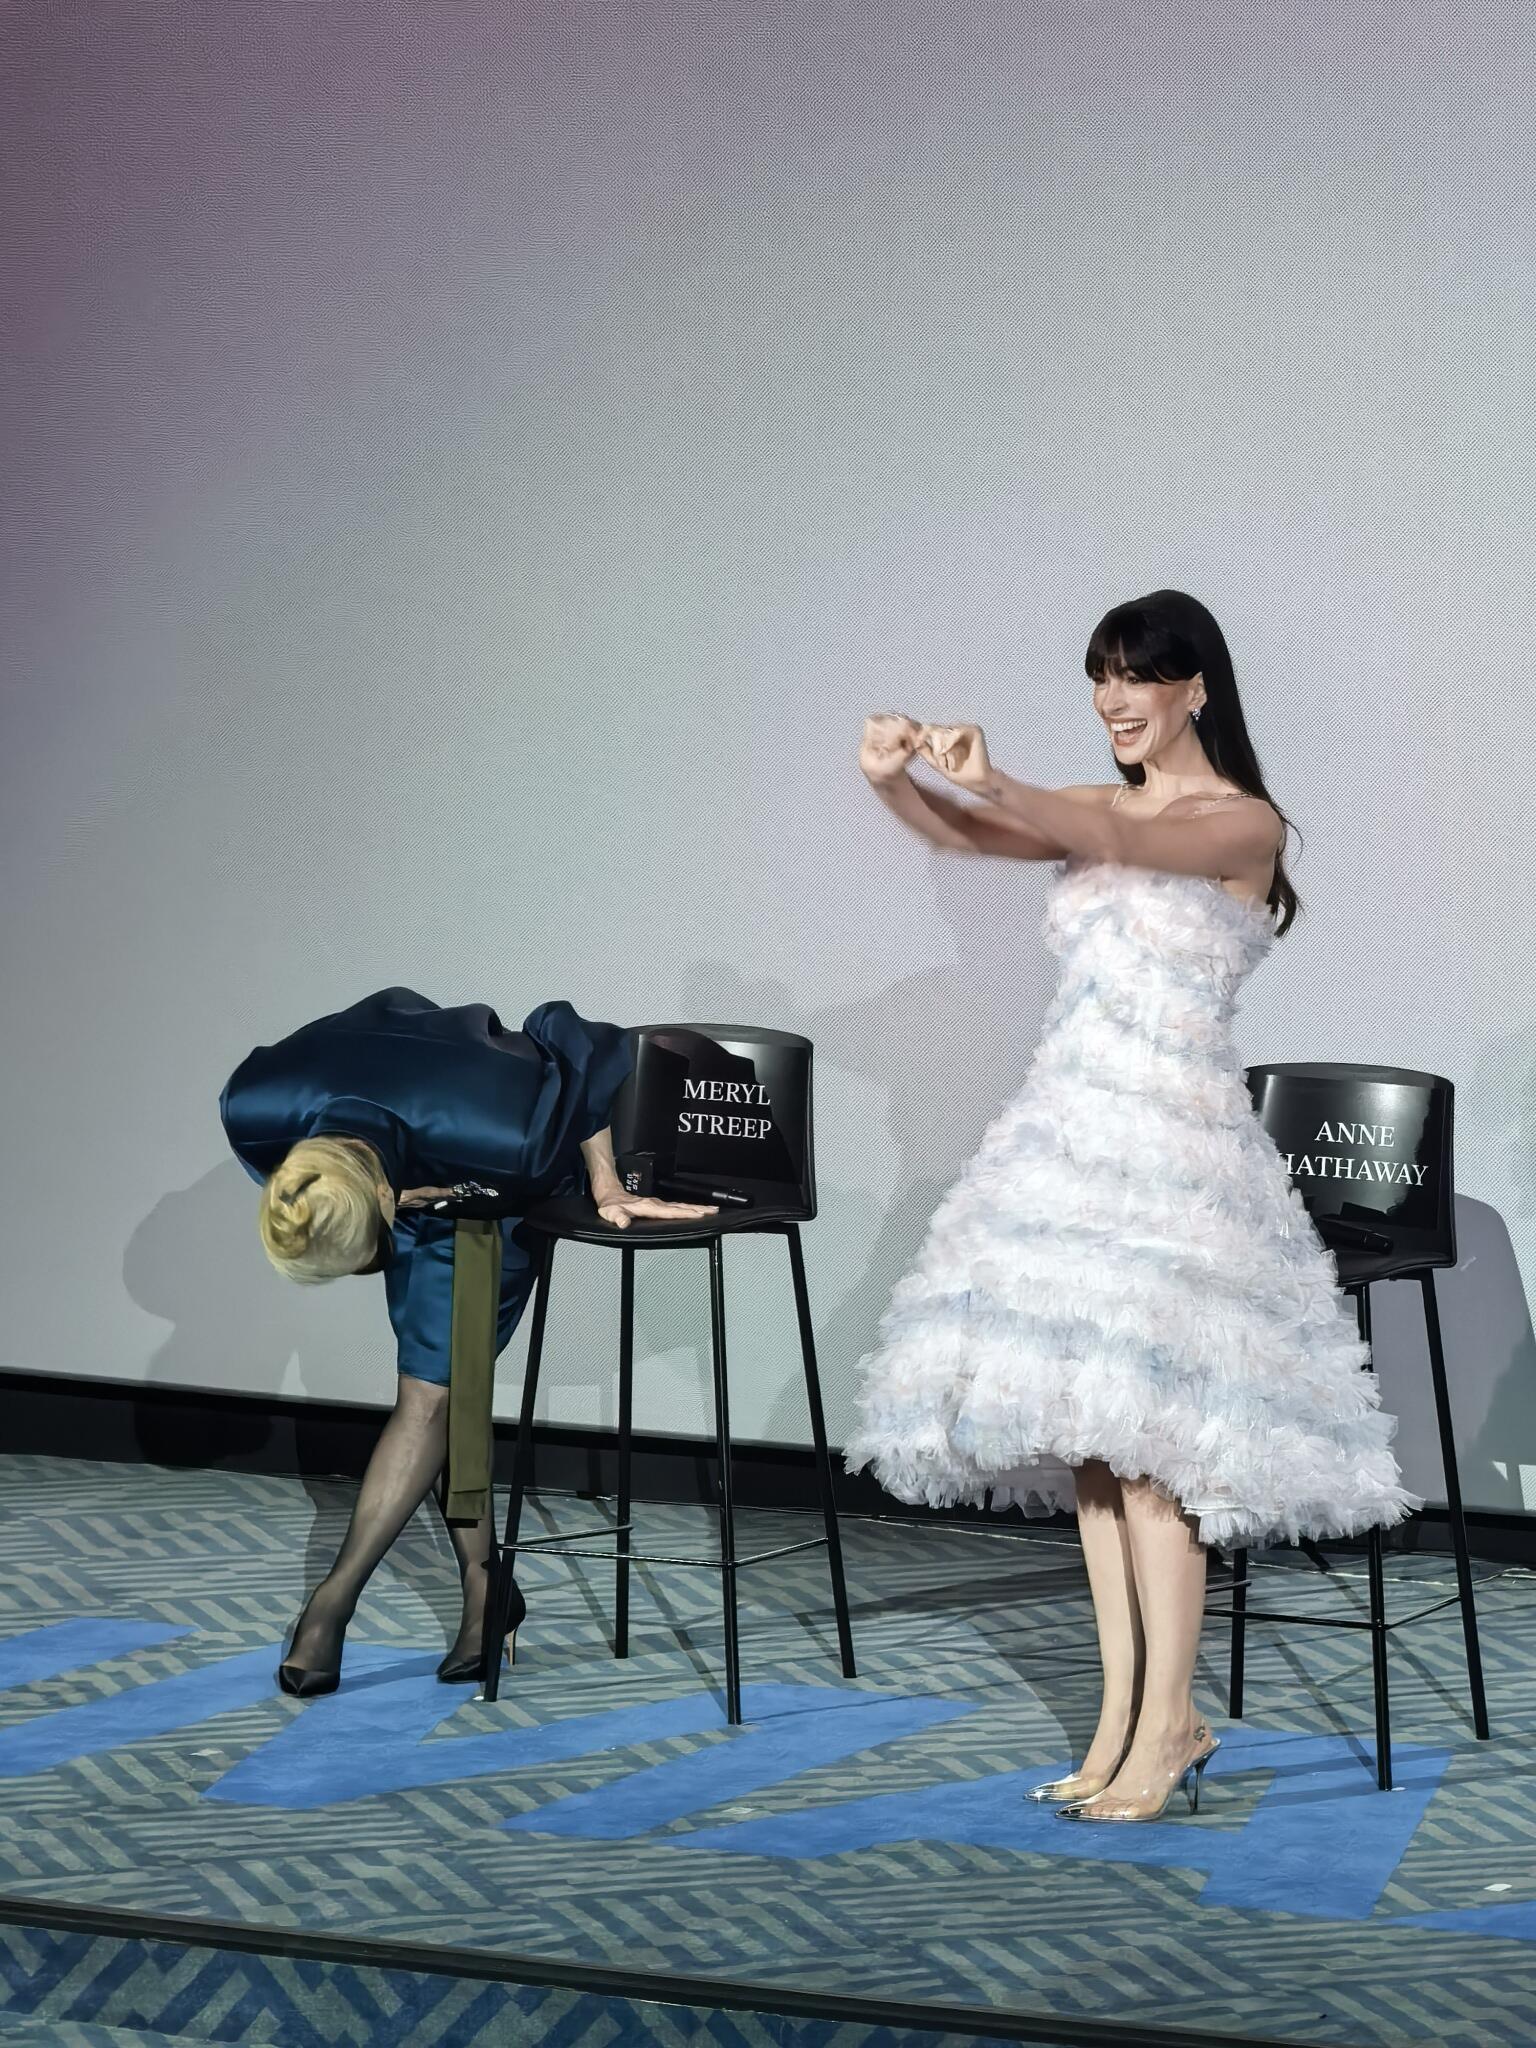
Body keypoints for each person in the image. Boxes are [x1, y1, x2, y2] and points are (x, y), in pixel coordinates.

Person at [843, 588, 1419, 1823]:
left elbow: (1098, 832)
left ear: (1194, 686)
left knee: (1154, 1456)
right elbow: (969, 835)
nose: (1113, 698)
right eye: (1100, 675)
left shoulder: (1240, 821)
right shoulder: (1094, 806)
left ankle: (1172, 1720)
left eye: (1137, 674)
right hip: (1069, 1138)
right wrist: (896, 779)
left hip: (1174, 1154)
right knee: (1097, 1457)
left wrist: (997, 779)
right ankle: (1119, 1719)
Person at [220, 987, 717, 1696]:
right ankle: (488, 1592)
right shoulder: (256, 1106)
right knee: (444, 1399)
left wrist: (605, 1181)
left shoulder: (506, 1139)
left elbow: (573, 1039)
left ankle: (331, 1605)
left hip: (480, 1205)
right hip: (388, 1173)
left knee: (428, 1399)